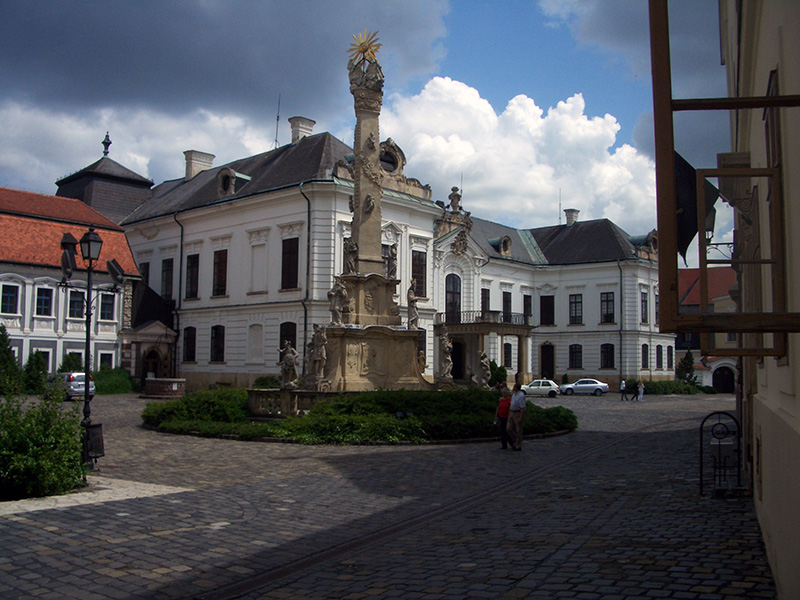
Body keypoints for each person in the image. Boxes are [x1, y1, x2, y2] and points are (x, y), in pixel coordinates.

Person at [507, 382, 526, 451]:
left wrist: (521, 417)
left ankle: (518, 445)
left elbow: (523, 408)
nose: (513, 388)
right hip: (512, 412)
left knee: (518, 430)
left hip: (517, 413)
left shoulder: (521, 395)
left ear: (516, 388)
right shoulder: (514, 395)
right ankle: (516, 440)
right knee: (509, 429)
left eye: (514, 387)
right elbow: (511, 404)